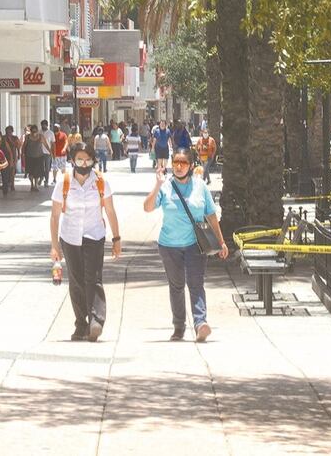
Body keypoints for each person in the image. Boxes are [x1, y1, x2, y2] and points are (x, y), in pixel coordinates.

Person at [143, 147, 228, 342]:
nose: (179, 166)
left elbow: (212, 216)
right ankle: (179, 326)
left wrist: (221, 242)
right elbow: (147, 208)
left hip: (194, 244)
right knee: (177, 286)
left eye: (183, 163)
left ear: (191, 166)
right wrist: (157, 184)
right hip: (169, 245)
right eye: (176, 163)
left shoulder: (200, 186)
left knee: (196, 284)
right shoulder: (165, 186)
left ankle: (200, 323)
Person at [50, 143, 122, 341]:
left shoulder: (100, 182)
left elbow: (110, 210)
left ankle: (96, 320)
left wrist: (116, 239)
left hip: (94, 235)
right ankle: (81, 324)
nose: (84, 163)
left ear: (93, 160)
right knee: (76, 281)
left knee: (94, 279)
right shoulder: (64, 182)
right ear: (72, 160)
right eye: (79, 159)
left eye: (88, 159)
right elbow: (55, 216)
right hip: (70, 237)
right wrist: (55, 245)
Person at [23, 125, 46, 191]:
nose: (34, 132)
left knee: (37, 173)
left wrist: (50, 151)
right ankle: (32, 185)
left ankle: (35, 185)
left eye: (35, 131)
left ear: (37, 130)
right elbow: (24, 145)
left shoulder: (40, 136)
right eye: (32, 131)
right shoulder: (27, 137)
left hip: (39, 157)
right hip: (29, 157)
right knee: (30, 172)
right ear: (30, 131)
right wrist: (22, 153)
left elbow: (45, 144)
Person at [2, 126, 20, 193]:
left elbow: (18, 146)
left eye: (10, 131)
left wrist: (19, 154)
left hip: (13, 155)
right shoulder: (3, 138)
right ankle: (6, 184)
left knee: (12, 171)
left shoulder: (15, 138)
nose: (8, 132)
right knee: (5, 171)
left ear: (12, 131)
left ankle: (12, 185)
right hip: (4, 156)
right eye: (7, 131)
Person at [40, 120, 55, 186]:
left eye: (44, 125)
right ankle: (41, 178)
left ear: (47, 125)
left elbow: (53, 143)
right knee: (40, 167)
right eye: (42, 125)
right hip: (39, 152)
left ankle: (46, 180)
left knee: (47, 168)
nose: (43, 126)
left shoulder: (51, 133)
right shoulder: (39, 132)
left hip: (48, 153)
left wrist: (53, 153)